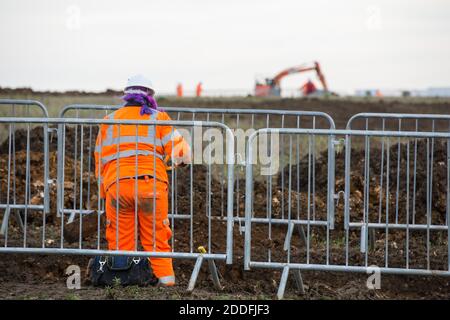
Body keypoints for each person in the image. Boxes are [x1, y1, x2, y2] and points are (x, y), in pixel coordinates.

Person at [94, 74, 191, 286]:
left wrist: (104, 192)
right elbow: (182, 153)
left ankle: (121, 281)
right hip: (150, 187)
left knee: (120, 239)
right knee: (156, 238)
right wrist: (177, 162)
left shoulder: (109, 120)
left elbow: (99, 160)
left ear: (126, 96)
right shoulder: (159, 118)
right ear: (150, 95)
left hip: (116, 187)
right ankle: (166, 283)